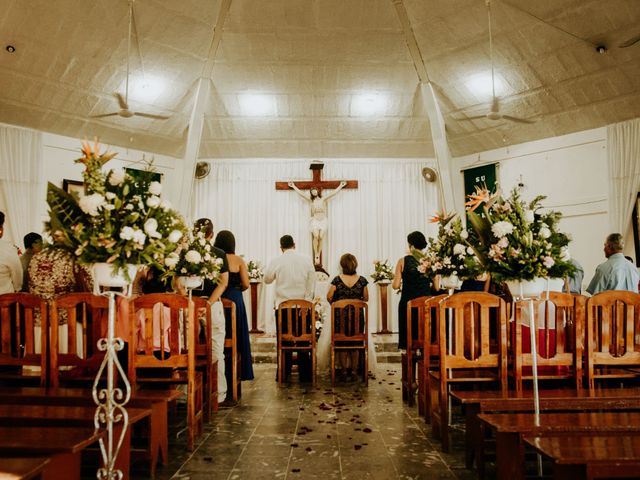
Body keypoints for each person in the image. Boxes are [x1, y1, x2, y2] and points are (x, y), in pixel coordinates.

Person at [28, 230, 92, 352]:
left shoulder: (36, 257)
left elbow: (31, 286)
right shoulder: (74, 258)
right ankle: (70, 365)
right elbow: (90, 287)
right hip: (66, 323)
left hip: (38, 322)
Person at [264, 235, 316, 381]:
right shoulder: (306, 260)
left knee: (284, 340)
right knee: (303, 340)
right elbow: (312, 282)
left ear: (281, 248)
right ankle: (305, 374)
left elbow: (267, 279)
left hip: (283, 308)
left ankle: (284, 373)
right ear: (294, 245)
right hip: (303, 307)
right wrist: (307, 301)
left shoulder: (276, 261)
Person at [192, 218, 230, 405]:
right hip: (212, 306)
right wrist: (208, 304)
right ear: (211, 235)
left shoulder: (185, 253)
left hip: (189, 307)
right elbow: (224, 283)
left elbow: (177, 283)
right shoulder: (219, 253)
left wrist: (192, 303)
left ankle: (185, 395)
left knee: (187, 350)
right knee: (216, 349)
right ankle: (219, 394)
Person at [214, 230, 255, 387]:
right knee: (236, 337)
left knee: (220, 338)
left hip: (217, 297)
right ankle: (236, 375)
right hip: (235, 299)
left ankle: (218, 375)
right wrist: (236, 291)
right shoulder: (238, 260)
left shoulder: (215, 257)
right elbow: (246, 283)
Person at [327, 253, 369, 381]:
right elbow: (366, 298)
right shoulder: (362, 280)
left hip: (341, 320)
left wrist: (337, 304)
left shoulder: (337, 280)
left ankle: (344, 371)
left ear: (342, 265)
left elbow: (329, 297)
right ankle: (355, 371)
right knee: (356, 343)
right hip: (357, 321)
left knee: (342, 343)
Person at [392, 231, 435, 350]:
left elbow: (395, 285)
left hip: (408, 303)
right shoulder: (431, 261)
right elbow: (436, 287)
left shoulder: (402, 261)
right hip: (426, 304)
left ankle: (409, 356)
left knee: (409, 338)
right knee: (425, 334)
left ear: (410, 245)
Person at [288, 180, 347, 266]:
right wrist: (293, 186)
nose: (314, 192)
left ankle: (318, 253)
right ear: (311, 193)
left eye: (315, 190)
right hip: (315, 220)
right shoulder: (311, 200)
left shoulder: (323, 199)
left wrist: (340, 186)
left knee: (321, 237)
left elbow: (333, 193)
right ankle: (316, 253)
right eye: (312, 191)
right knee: (316, 236)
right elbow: (301, 194)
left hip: (323, 220)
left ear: (317, 191)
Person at [0, 211, 23, 294]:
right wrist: (18, 288)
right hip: (4, 302)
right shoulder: (8, 249)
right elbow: (17, 275)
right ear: (1, 229)